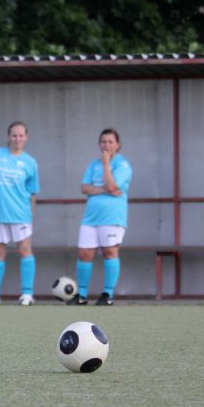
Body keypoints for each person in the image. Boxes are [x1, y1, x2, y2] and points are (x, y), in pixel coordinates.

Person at [0, 121, 39, 306]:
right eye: (14, 135)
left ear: (26, 138)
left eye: (21, 135)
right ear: (9, 137)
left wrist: (31, 214)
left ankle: (27, 294)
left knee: (24, 251)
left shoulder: (30, 162)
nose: (17, 139)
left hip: (21, 214)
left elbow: (33, 192)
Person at [67, 128, 132, 306]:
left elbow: (112, 186)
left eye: (110, 142)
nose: (106, 145)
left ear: (117, 145)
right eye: (103, 142)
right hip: (91, 218)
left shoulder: (123, 165)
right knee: (84, 254)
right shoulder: (92, 165)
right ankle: (81, 296)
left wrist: (106, 165)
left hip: (112, 217)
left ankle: (107, 295)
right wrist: (105, 190)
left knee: (110, 252)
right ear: (99, 144)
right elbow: (84, 188)